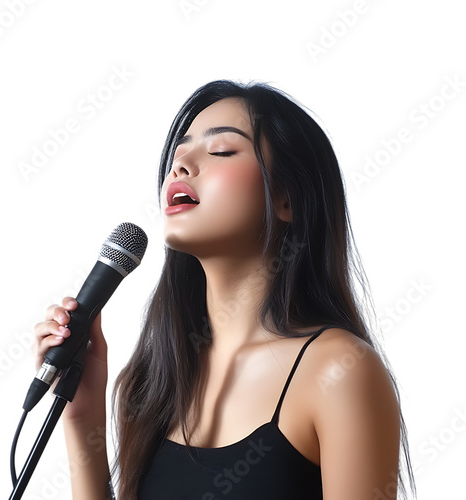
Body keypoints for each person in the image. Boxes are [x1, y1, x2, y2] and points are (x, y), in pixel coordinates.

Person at [33, 80, 416, 499]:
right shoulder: (152, 379)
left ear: (287, 198)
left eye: (221, 151)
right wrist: (81, 417)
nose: (180, 165)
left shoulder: (339, 371)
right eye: (178, 154)